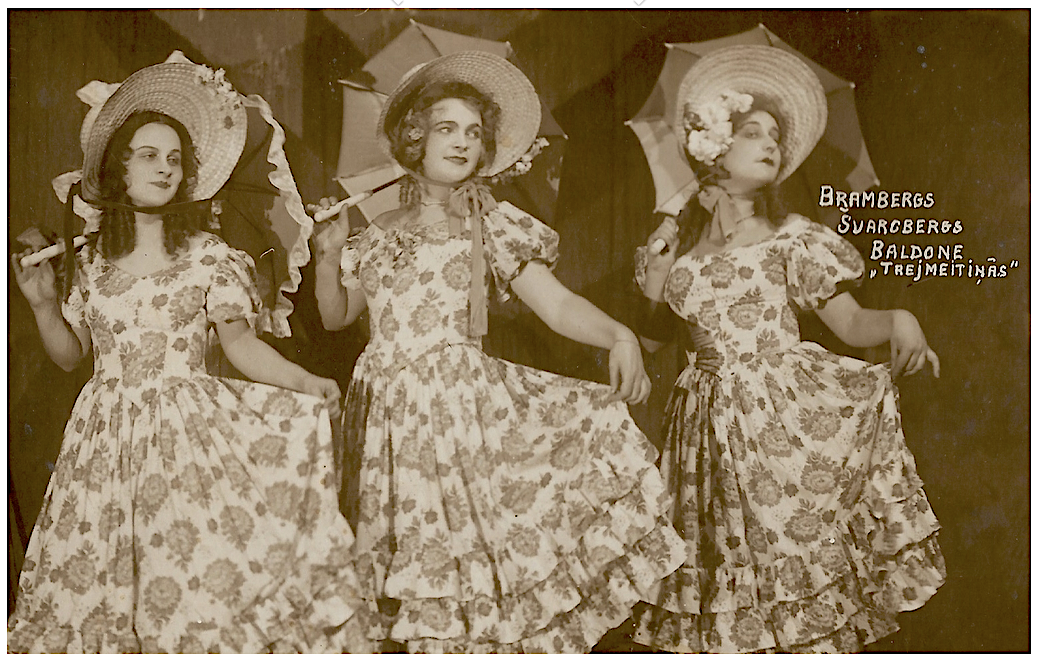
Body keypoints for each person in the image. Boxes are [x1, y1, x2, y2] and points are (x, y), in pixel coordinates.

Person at [310, 51, 686, 653]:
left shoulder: (490, 224)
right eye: (447, 128)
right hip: (383, 414)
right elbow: (336, 316)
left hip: (458, 411)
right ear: (414, 138)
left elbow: (557, 306)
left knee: (467, 563)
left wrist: (619, 334)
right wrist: (328, 256)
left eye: (473, 132)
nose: (463, 142)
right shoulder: (375, 232)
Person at [8, 61, 371, 654]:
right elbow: (72, 357)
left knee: (192, 578)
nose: (165, 169)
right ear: (118, 169)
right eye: (149, 156)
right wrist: (44, 306)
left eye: (174, 159)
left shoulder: (210, 256)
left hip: (187, 439)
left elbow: (241, 345)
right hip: (104, 443)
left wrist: (305, 381)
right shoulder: (89, 262)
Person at [627, 45, 946, 653]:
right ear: (714, 148)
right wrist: (658, 269)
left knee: (788, 560)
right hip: (704, 432)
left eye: (775, 136)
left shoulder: (791, 238)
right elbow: (649, 340)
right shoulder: (681, 251)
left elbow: (850, 324)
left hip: (777, 420)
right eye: (753, 132)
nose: (770, 144)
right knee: (726, 578)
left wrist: (900, 318)